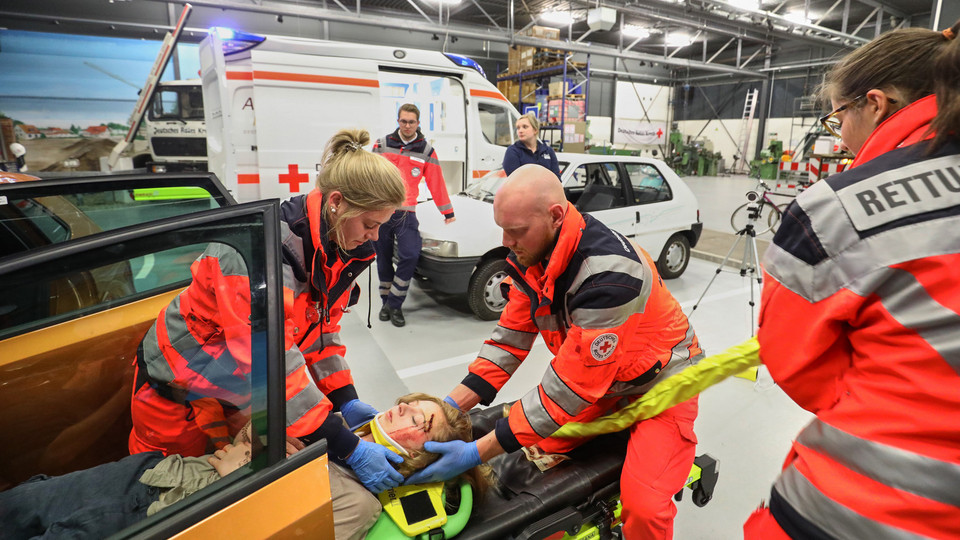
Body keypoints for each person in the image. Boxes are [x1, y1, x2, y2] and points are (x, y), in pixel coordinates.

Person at [406, 164, 704, 539]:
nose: (506, 241)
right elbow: (507, 342)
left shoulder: (609, 278)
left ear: (556, 216)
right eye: (502, 228)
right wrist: (449, 408)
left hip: (662, 388)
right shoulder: (533, 256)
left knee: (644, 506)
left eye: (516, 231)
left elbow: (568, 392)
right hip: (606, 382)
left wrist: (474, 453)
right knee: (534, 448)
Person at [744, 21, 960, 539]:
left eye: (837, 116)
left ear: (875, 104)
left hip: (860, 506)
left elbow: (796, 362)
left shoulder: (834, 210)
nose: (838, 135)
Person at [129, 128, 410, 495]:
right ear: (337, 203)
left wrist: (346, 398)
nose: (374, 237)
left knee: (222, 489)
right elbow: (272, 362)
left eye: (381, 227)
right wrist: (347, 446)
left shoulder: (335, 251)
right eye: (370, 225)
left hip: (232, 395)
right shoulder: (258, 256)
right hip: (175, 397)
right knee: (163, 493)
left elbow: (321, 335)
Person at [0, 394, 487, 540]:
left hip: (165, 521)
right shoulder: (334, 425)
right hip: (149, 475)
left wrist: (244, 467)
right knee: (16, 505)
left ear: (421, 456)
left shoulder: (356, 504)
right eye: (407, 402)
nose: (400, 409)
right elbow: (257, 417)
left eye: (419, 418)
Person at [372, 103, 455, 327]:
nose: (407, 125)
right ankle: (385, 302)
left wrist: (447, 211)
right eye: (403, 121)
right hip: (382, 211)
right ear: (398, 121)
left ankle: (395, 303)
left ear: (418, 124)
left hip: (406, 213)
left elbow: (436, 183)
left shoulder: (426, 151)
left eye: (411, 122)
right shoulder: (381, 145)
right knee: (383, 257)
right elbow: (368, 175)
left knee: (410, 254)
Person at [502, 112, 560, 179]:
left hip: (546, 189)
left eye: (525, 127)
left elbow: (556, 179)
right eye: (518, 128)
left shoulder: (548, 151)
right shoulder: (513, 151)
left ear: (535, 130)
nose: (520, 131)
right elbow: (515, 180)